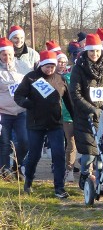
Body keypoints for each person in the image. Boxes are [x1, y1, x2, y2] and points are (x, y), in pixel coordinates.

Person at [14, 50, 74, 198]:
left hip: (55, 124)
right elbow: (18, 95)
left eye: (52, 66)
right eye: (47, 66)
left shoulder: (61, 79)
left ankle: (59, 188)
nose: (50, 69)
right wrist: (27, 104)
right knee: (34, 155)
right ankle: (28, 181)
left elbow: (69, 102)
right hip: (35, 124)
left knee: (58, 155)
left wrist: (76, 118)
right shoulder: (31, 78)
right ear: (41, 65)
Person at [69, 33, 103, 188]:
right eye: (92, 51)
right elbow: (75, 93)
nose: (95, 54)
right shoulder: (78, 68)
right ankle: (85, 173)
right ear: (86, 51)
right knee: (89, 155)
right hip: (85, 116)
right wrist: (91, 109)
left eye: (98, 51)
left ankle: (101, 181)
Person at [0, 37, 31, 178]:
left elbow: (31, 84)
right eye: (4, 55)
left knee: (25, 142)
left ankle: (16, 166)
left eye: (9, 54)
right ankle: (4, 171)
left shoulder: (23, 66)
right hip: (3, 113)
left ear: (14, 54)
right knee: (5, 143)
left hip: (21, 111)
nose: (7, 57)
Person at [55, 51, 76, 183]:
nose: (62, 64)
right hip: (61, 115)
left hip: (76, 115)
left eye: (64, 61)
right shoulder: (57, 77)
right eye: (59, 61)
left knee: (76, 143)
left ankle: (74, 169)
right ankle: (65, 168)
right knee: (65, 144)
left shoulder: (72, 76)